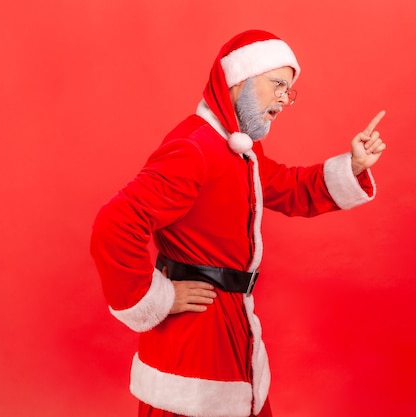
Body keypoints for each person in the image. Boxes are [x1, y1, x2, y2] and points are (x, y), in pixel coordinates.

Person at [90, 29, 386, 417]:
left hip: (233, 325)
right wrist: (155, 297)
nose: (284, 98)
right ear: (239, 80)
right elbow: (115, 223)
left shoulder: (238, 147)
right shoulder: (195, 147)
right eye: (278, 84)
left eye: (289, 89)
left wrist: (354, 166)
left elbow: (287, 187)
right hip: (196, 334)